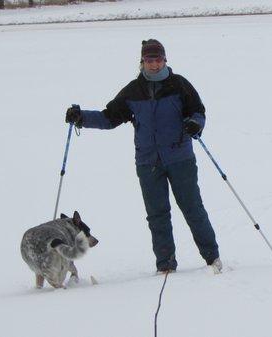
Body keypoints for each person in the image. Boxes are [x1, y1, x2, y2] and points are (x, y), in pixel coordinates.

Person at [65, 39, 221, 273]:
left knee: (193, 209)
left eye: (158, 60)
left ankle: (212, 258)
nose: (155, 64)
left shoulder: (179, 85)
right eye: (150, 60)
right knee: (157, 215)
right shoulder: (133, 91)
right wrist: (81, 118)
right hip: (148, 163)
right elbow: (110, 118)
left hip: (181, 159)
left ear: (165, 60)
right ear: (143, 62)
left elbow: (198, 111)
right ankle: (165, 264)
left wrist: (195, 124)